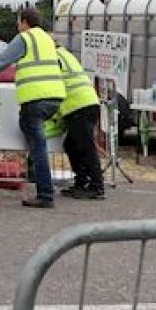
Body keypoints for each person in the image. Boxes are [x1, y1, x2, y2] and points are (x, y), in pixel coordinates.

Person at [0, 7, 66, 208]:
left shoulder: (25, 38)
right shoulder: (46, 39)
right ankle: (34, 173)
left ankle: (45, 193)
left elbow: (2, 60)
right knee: (27, 127)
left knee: (38, 143)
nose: (17, 25)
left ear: (24, 22)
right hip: (55, 96)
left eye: (18, 21)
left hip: (36, 98)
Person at [56, 44, 105, 200]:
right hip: (87, 103)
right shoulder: (66, 55)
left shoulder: (53, 59)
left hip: (79, 106)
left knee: (86, 147)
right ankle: (82, 181)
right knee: (71, 144)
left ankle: (96, 186)